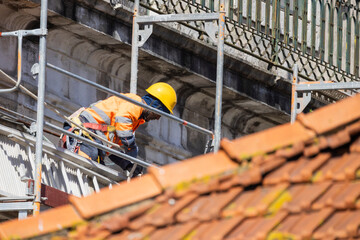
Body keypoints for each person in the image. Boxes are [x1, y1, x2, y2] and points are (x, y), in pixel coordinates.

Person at [60, 82, 177, 175]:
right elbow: (123, 121)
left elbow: (112, 148)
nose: (157, 118)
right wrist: (131, 146)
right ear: (155, 105)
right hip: (84, 133)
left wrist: (127, 164)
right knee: (88, 162)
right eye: (159, 114)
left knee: (99, 170)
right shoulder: (135, 102)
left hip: (92, 138)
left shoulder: (134, 120)